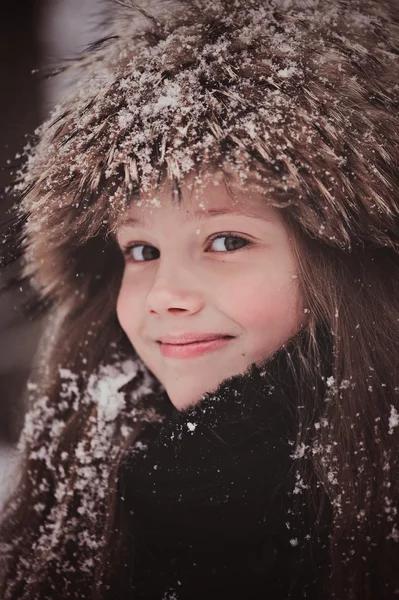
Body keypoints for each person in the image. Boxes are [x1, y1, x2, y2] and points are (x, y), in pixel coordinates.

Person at [0, 0, 398, 598]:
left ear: (345, 263)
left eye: (226, 240)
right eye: (141, 251)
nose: (165, 296)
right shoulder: (77, 495)